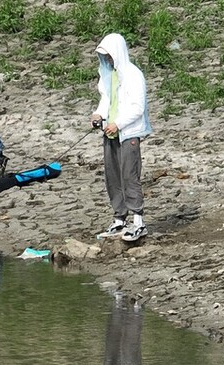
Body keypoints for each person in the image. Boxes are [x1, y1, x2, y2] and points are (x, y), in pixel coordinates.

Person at [90, 33, 152, 243]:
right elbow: (106, 99)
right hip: (111, 133)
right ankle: (119, 220)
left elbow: (137, 108)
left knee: (129, 176)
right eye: (104, 56)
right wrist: (99, 115)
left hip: (129, 133)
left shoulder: (134, 75)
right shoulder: (110, 75)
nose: (107, 60)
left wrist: (118, 123)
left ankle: (138, 222)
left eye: (109, 55)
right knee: (113, 176)